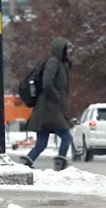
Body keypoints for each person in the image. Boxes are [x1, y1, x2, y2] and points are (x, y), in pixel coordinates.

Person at [19, 37, 73, 171]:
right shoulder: (53, 63)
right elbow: (47, 83)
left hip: (47, 109)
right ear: (61, 50)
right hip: (50, 108)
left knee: (41, 143)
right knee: (66, 137)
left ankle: (27, 162)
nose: (70, 52)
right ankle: (60, 163)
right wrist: (57, 98)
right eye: (68, 49)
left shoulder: (58, 63)